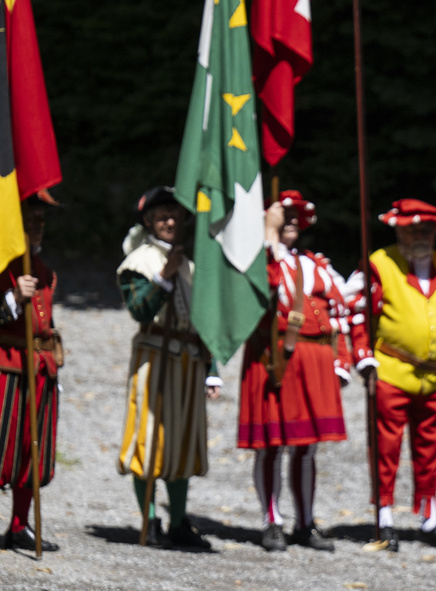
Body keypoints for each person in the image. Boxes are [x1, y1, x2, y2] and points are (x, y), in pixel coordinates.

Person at [350, 199, 436, 552]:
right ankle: (385, 518)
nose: (419, 236)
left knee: (430, 450)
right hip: (391, 372)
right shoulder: (379, 263)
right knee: (386, 449)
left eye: (425, 230)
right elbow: (358, 313)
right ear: (399, 231)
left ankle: (429, 518)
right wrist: (364, 360)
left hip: (433, 377)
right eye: (411, 230)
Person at [239, 191, 352, 553]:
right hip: (275, 358)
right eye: (281, 215)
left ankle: (305, 522)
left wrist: (341, 360)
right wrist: (266, 238)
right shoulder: (256, 260)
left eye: (294, 216)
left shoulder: (316, 264)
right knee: (271, 446)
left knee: (306, 448)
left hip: (314, 361)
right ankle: (272, 521)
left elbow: (339, 312)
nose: (289, 221)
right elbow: (265, 288)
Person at [0, 197, 63, 554]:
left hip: (39, 368)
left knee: (32, 449)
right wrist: (14, 297)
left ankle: (19, 526)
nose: (37, 224)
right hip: (1, 362)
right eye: (29, 218)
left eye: (40, 219)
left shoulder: (45, 270)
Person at [115, 186, 217, 550]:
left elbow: (203, 321)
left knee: (182, 440)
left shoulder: (191, 265)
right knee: (149, 437)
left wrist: (212, 366)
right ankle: (150, 521)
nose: (170, 221)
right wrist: (164, 276)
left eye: (175, 215)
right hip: (154, 358)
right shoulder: (137, 261)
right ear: (149, 221)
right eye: (162, 216)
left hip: (188, 363)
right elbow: (139, 310)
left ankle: (178, 520)